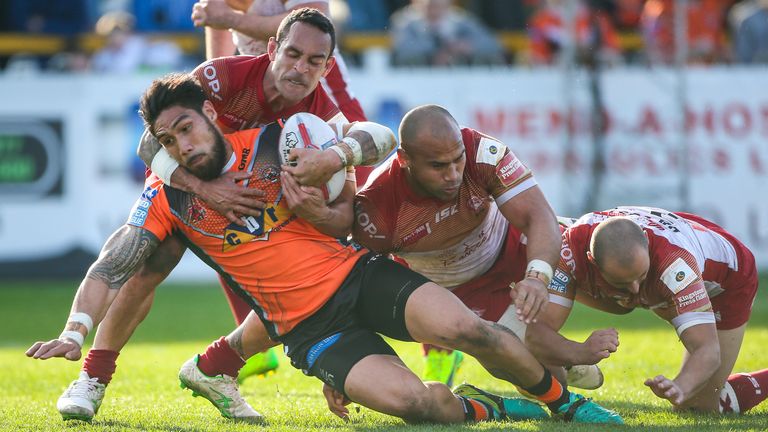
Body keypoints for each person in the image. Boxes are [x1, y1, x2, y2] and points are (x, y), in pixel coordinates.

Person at [28, 73, 623, 426]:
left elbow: (381, 137)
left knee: (475, 333)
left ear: (210, 115)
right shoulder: (165, 197)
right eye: (167, 140)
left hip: (362, 277)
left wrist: (335, 157)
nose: (181, 144)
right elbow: (113, 264)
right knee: (422, 407)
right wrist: (76, 331)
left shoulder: (273, 140)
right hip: (312, 333)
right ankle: (489, 409)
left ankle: (565, 407)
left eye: (186, 127)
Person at [41, 8, 354, 422]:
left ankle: (218, 367)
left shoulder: (324, 115)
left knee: (307, 275)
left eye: (314, 61)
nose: (300, 69)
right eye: (292, 54)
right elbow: (151, 144)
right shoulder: (218, 78)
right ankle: (91, 379)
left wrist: (343, 153)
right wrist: (208, 189)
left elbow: (376, 141)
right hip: (186, 184)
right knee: (148, 263)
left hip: (248, 197)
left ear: (328, 66)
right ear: (273, 49)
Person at [350, 104, 603, 390]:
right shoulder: (376, 208)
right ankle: (562, 356)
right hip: (462, 290)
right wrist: (352, 360)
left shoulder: (481, 151)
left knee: (607, 253)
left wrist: (537, 277)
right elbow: (359, 284)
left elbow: (538, 215)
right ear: (404, 159)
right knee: (545, 377)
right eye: (438, 166)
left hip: (513, 245)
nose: (453, 174)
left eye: (458, 160)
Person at [524, 206, 767, 414]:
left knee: (696, 405)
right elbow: (536, 335)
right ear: (593, 260)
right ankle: (568, 365)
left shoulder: (675, 267)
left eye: (641, 276)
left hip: (727, 281)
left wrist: (680, 386)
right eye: (623, 283)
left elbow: (707, 350)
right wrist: (579, 352)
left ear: (647, 246)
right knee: (532, 348)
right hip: (665, 256)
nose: (634, 289)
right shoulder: (569, 248)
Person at [389, 0, 504, 66]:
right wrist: (439, 50)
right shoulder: (405, 21)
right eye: (430, 6)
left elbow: (493, 44)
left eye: (438, 6)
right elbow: (402, 48)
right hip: (418, 74)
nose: (434, 10)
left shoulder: (461, 20)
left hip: (457, 72)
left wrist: (466, 46)